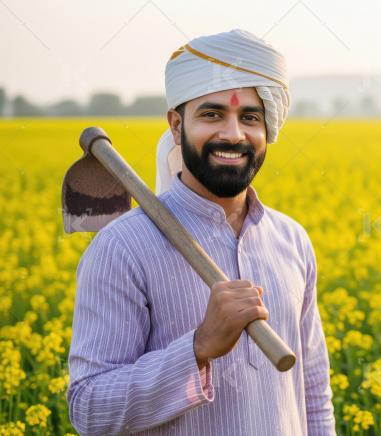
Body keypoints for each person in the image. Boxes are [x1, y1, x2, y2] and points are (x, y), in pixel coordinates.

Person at [66, 29, 335, 435]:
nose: (233, 134)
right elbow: (89, 409)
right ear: (176, 126)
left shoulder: (292, 240)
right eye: (212, 115)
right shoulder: (122, 248)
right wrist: (198, 347)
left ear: (268, 129)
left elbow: (313, 394)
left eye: (250, 117)